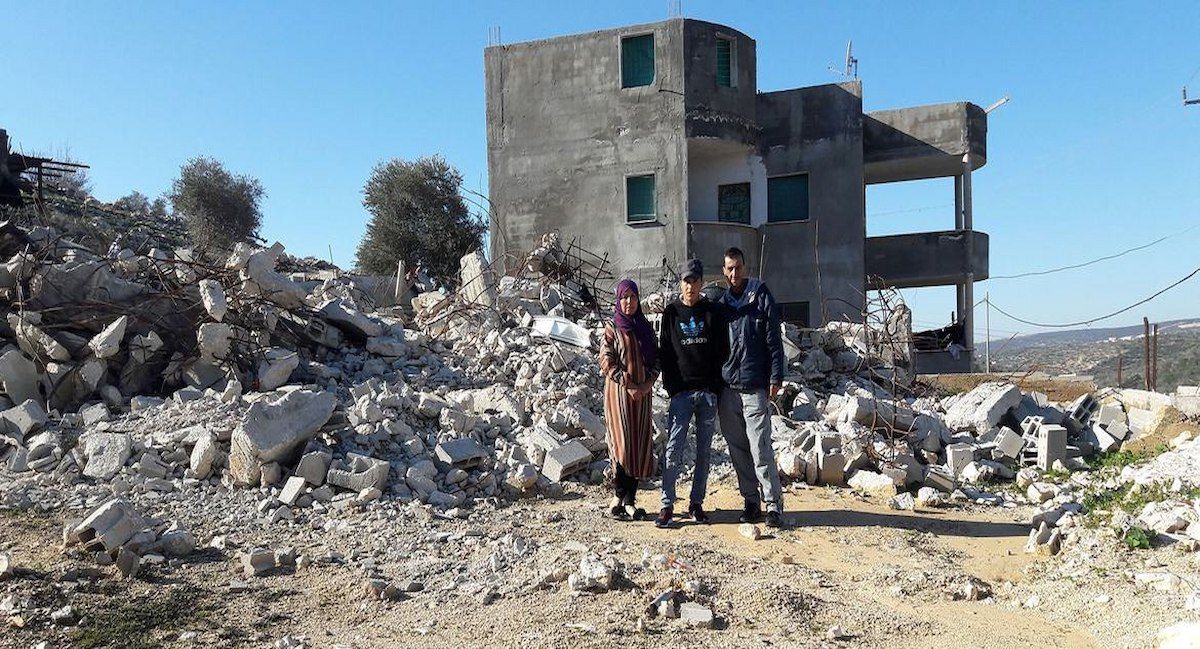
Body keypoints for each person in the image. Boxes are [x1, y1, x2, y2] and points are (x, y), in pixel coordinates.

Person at [716, 247, 786, 528]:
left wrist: (776, 377)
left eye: (738, 267)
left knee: (760, 447)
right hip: (728, 388)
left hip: (755, 385)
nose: (734, 273)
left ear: (745, 267)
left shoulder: (761, 296)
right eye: (729, 268)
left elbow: (774, 340)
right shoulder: (722, 305)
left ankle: (773, 506)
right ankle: (751, 501)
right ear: (724, 271)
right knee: (738, 449)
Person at [655, 259, 726, 528]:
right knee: (673, 449)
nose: (690, 286)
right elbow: (666, 352)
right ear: (680, 283)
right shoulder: (671, 313)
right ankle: (666, 505)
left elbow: (721, 351)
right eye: (686, 281)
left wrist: (715, 387)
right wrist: (672, 387)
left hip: (707, 394)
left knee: (704, 452)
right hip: (681, 394)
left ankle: (696, 503)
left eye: (695, 281)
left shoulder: (712, 312)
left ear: (701, 283)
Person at [599, 279, 660, 521]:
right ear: (618, 300)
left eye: (633, 297)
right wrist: (629, 383)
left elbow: (656, 361)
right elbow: (606, 360)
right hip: (619, 397)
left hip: (642, 397)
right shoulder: (612, 328)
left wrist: (646, 385)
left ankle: (630, 502)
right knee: (622, 446)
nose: (628, 302)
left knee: (638, 446)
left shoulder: (644, 328)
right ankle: (617, 498)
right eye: (624, 297)